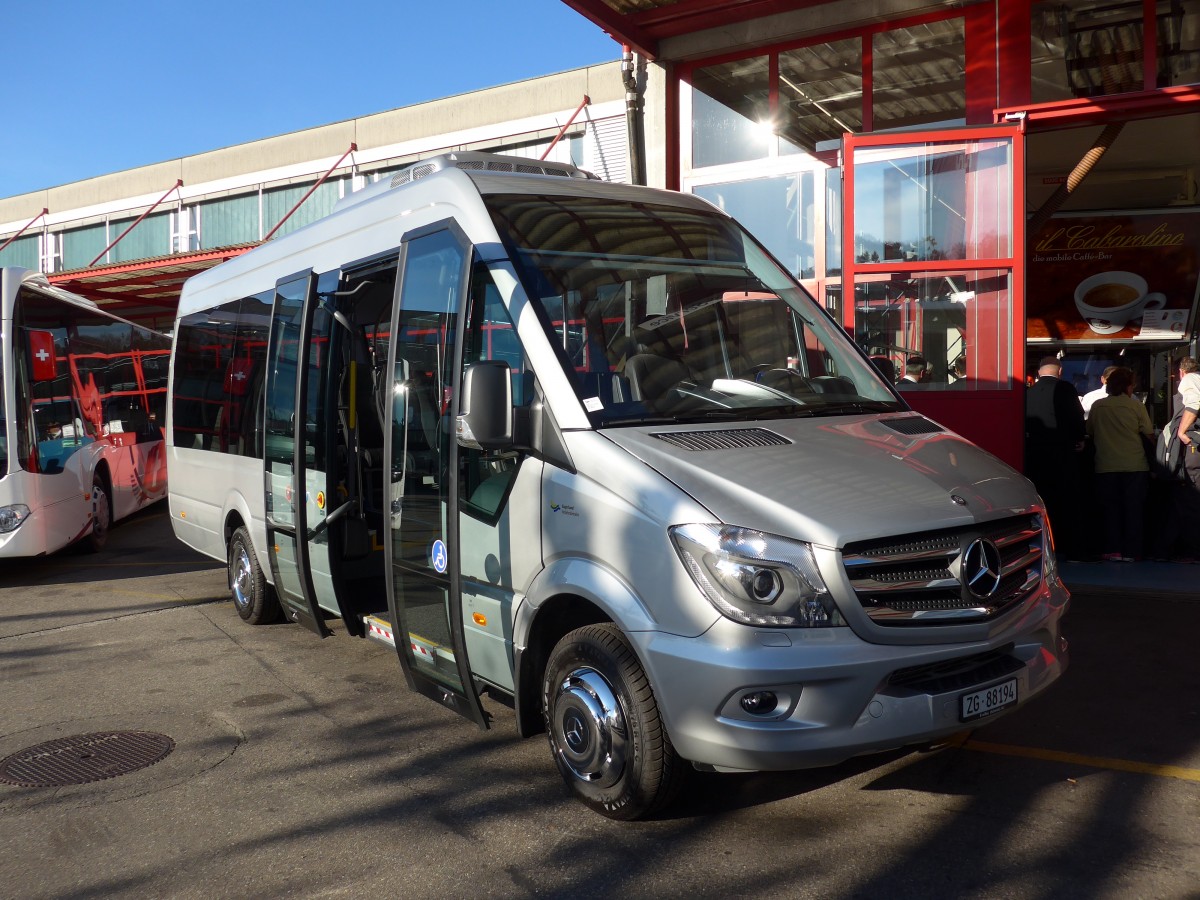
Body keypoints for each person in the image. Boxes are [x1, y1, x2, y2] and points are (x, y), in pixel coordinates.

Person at [1086, 367, 1153, 561]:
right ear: (1127, 386)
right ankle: (1132, 552)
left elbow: (1090, 430)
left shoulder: (1098, 406)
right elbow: (1148, 433)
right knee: (1134, 510)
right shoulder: (1136, 406)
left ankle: (1112, 549)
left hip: (1106, 465)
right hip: (1135, 464)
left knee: (1110, 510)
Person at [1025, 355, 1088, 559]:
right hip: (1062, 454)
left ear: (1038, 372)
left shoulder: (1027, 392)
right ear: (1060, 371)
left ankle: (1042, 547)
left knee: (1043, 499)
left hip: (1035, 455)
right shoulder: (1066, 389)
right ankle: (1070, 547)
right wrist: (1079, 438)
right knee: (1067, 501)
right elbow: (1076, 416)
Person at [1159, 357, 1200, 562]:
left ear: (1181, 371)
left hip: (1192, 446)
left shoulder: (1190, 379)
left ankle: (1193, 550)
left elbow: (1194, 403)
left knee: (1192, 497)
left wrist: (1182, 431)